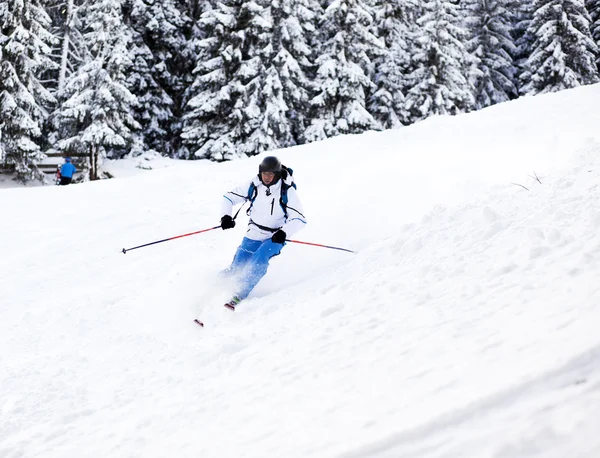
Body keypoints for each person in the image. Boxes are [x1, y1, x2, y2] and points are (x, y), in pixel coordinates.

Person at [220, 156, 307, 309]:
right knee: (238, 264)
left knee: (259, 258)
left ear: (277, 174)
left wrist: (284, 233)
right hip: (254, 231)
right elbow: (228, 197)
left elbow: (299, 219)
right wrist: (226, 216)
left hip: (275, 236)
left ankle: (239, 293)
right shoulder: (253, 185)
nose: (266, 177)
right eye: (264, 173)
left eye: (270, 174)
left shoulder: (287, 190)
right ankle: (216, 285)